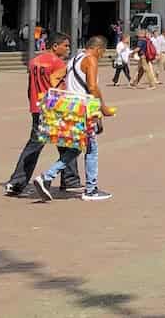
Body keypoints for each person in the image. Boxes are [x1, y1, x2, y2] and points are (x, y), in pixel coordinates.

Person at [34, 36, 116, 202]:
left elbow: (57, 79)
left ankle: (47, 177)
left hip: (72, 107)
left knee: (78, 147)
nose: (101, 56)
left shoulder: (74, 59)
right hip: (85, 108)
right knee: (91, 149)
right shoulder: (90, 60)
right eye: (102, 53)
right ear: (99, 49)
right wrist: (103, 108)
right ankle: (90, 189)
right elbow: (92, 87)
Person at [5, 33, 80, 197]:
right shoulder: (59, 64)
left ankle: (70, 179)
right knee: (65, 142)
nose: (68, 49)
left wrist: (32, 104)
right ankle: (68, 180)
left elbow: (30, 87)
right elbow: (60, 89)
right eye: (65, 46)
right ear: (55, 46)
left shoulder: (34, 62)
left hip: (37, 107)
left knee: (41, 144)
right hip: (54, 107)